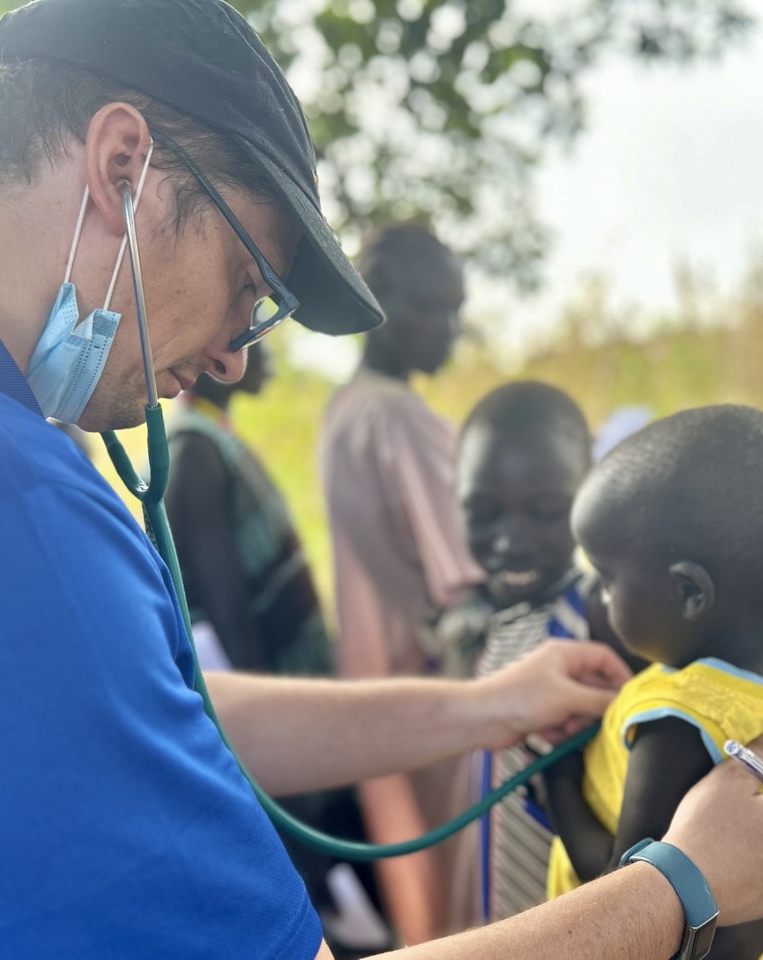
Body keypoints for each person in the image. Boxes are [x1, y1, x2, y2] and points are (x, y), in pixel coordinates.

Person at [0, 1, 763, 958]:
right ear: (121, 167)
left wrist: (479, 709)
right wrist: (679, 889)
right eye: (248, 286)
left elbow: (148, 706)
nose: (235, 359)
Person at [545, 405, 763, 960]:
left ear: (690, 593)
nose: (598, 597)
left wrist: (559, 780)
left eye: (609, 579)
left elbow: (629, 896)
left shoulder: (680, 723)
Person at [165, 346, 391, 954]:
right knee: (319, 880)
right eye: (249, 341)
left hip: (292, 694)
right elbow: (227, 607)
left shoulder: (215, 439)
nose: (257, 357)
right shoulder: (193, 452)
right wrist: (279, 719)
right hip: (270, 716)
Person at [318, 222, 484, 941]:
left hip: (370, 696)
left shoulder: (343, 411)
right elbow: (469, 573)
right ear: (378, 298)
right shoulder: (399, 419)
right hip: (432, 699)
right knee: (463, 908)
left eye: (456, 310)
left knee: (421, 910)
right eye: (430, 307)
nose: (448, 330)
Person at [447, 380, 646, 923]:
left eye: (546, 511)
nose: (512, 540)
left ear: (592, 495)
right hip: (510, 909)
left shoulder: (598, 621)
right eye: (485, 513)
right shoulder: (500, 619)